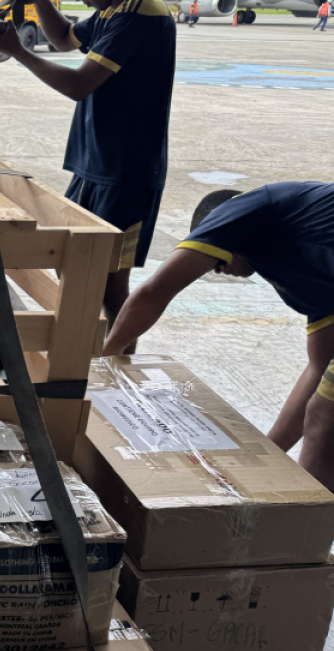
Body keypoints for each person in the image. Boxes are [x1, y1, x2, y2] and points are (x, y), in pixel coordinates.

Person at [0, 0, 176, 349]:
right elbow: (65, 38)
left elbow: (80, 84)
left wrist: (18, 51)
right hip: (95, 166)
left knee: (109, 283)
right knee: (74, 264)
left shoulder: (141, 14)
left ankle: (120, 364)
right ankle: (99, 356)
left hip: (127, 174)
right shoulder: (113, 10)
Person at [100, 184, 334, 490]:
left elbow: (153, 293)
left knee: (323, 417)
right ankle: (303, 523)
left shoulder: (236, 210)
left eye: (214, 260)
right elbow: (319, 367)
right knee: (325, 408)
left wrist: (103, 362)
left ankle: (304, 529)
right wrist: (262, 459)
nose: (217, 271)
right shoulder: (307, 270)